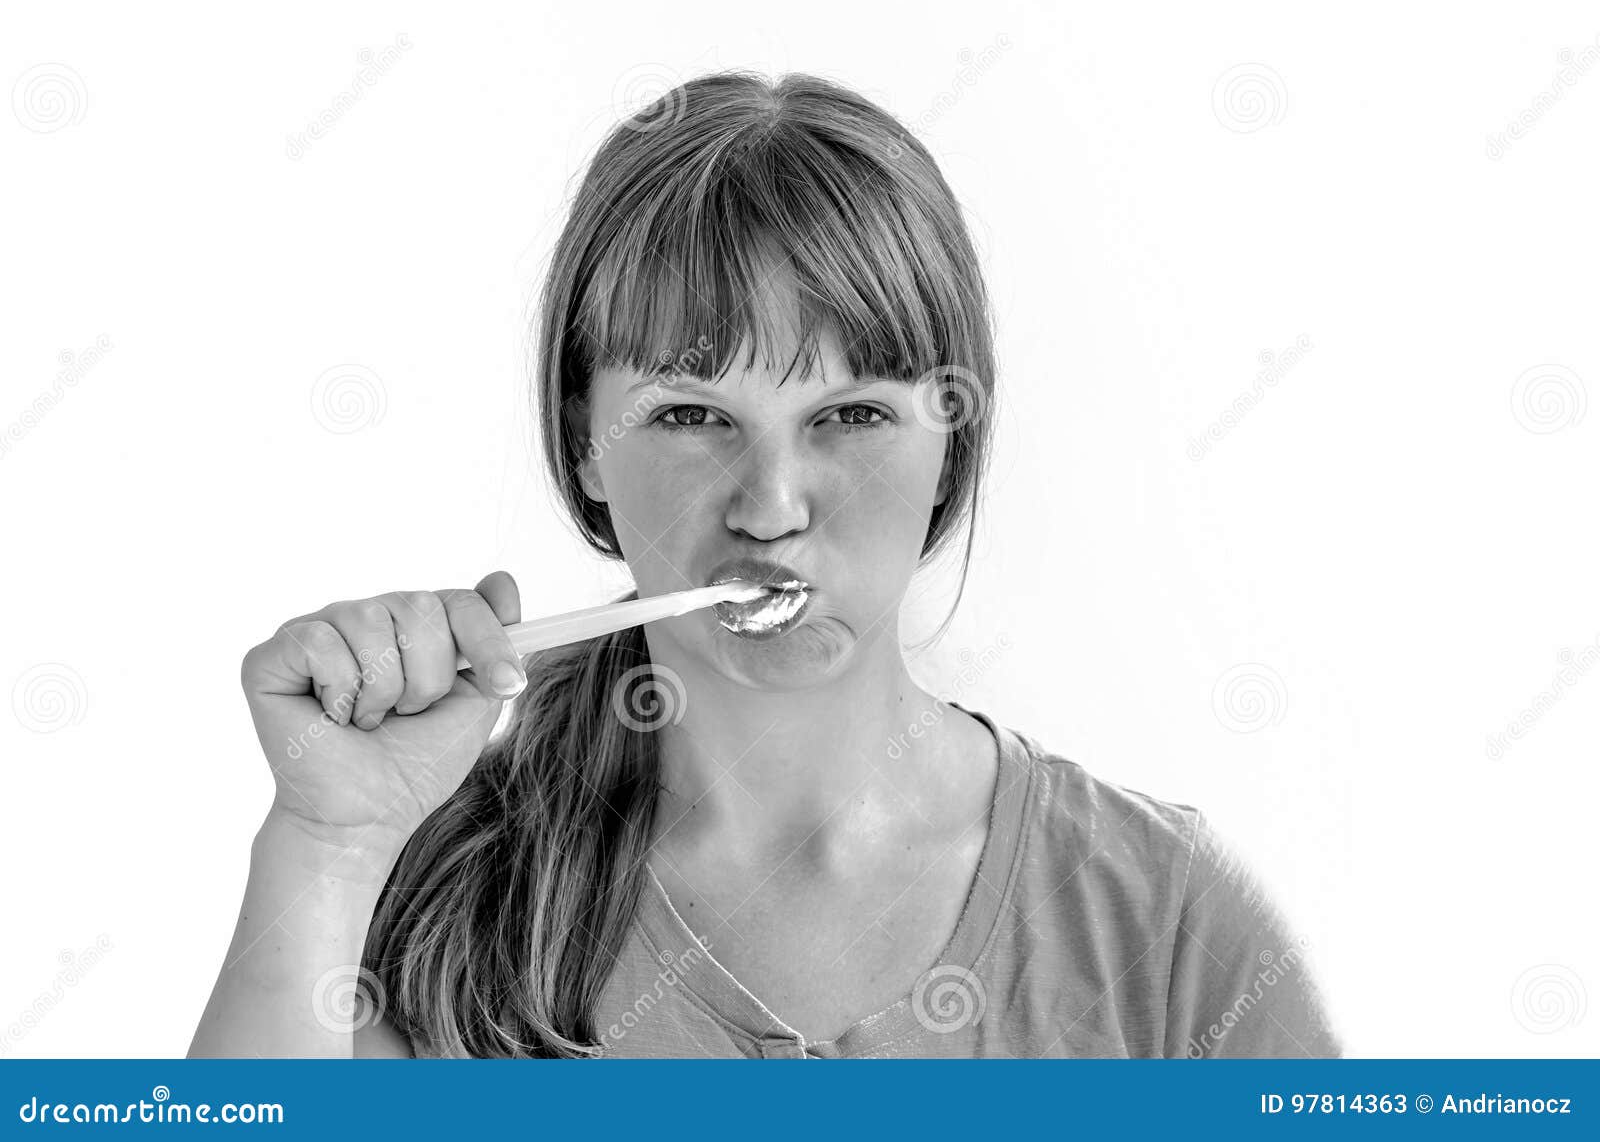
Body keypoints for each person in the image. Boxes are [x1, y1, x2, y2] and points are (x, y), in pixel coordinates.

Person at [189, 70, 1341, 1059]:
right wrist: (327, 847)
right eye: (693, 414)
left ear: (952, 448)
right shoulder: (441, 912)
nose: (772, 505)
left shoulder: (1167, 926)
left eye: (849, 415)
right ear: (584, 445)